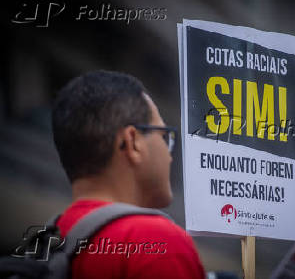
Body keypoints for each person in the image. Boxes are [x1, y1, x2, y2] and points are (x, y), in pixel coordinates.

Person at [51, 70, 205, 278]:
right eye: (164, 136)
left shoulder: (49, 241)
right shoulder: (155, 241)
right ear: (133, 142)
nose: (170, 157)